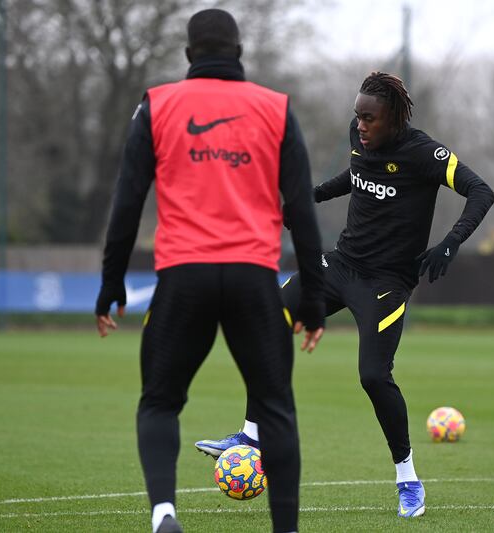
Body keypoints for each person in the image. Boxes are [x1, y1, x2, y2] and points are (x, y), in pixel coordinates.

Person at [196, 72, 494, 518]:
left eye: (368, 118)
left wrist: (449, 242)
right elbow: (355, 175)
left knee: (374, 376)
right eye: (357, 116)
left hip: (386, 284)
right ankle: (250, 434)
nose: (360, 125)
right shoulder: (363, 142)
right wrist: (310, 197)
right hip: (339, 266)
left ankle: (408, 478)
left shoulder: (423, 152)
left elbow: (481, 191)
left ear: (391, 118)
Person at [94, 9, 326, 533]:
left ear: (188, 55)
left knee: (159, 402)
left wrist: (110, 283)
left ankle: (164, 515)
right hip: (253, 279)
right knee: (275, 409)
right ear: (240, 53)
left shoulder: (156, 106)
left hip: (183, 278)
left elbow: (127, 203)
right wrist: (313, 299)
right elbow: (303, 214)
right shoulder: (277, 109)